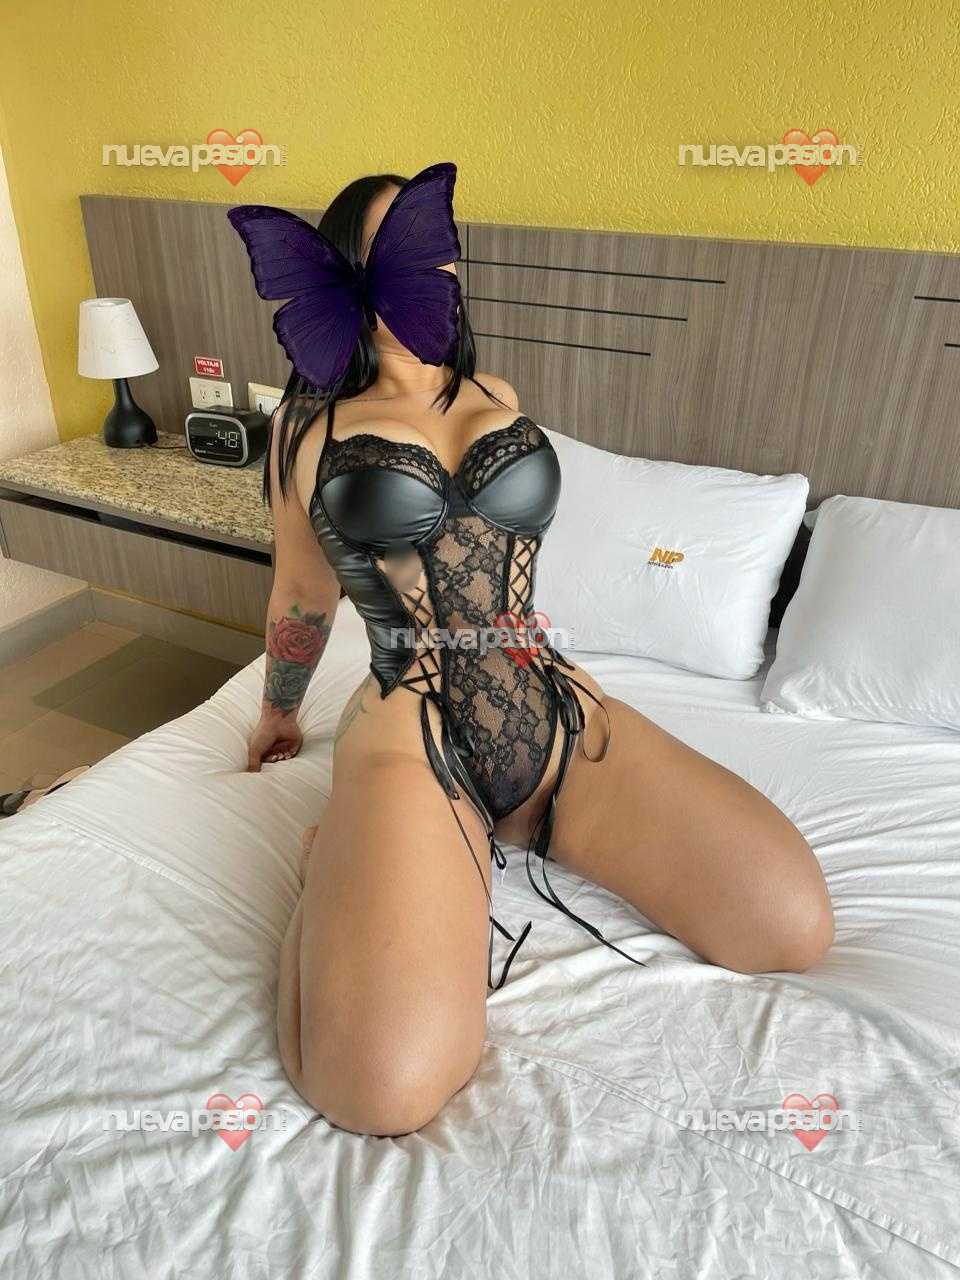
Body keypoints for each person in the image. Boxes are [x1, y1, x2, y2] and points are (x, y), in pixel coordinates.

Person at [230, 162, 834, 1139]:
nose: (404, 279)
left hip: (543, 709)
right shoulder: (305, 428)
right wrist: (277, 711)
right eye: (373, 259)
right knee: (379, 1090)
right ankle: (336, 850)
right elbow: (301, 593)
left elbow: (497, 555)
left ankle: (498, 825)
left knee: (790, 924)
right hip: (407, 731)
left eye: (425, 252)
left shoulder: (497, 392)